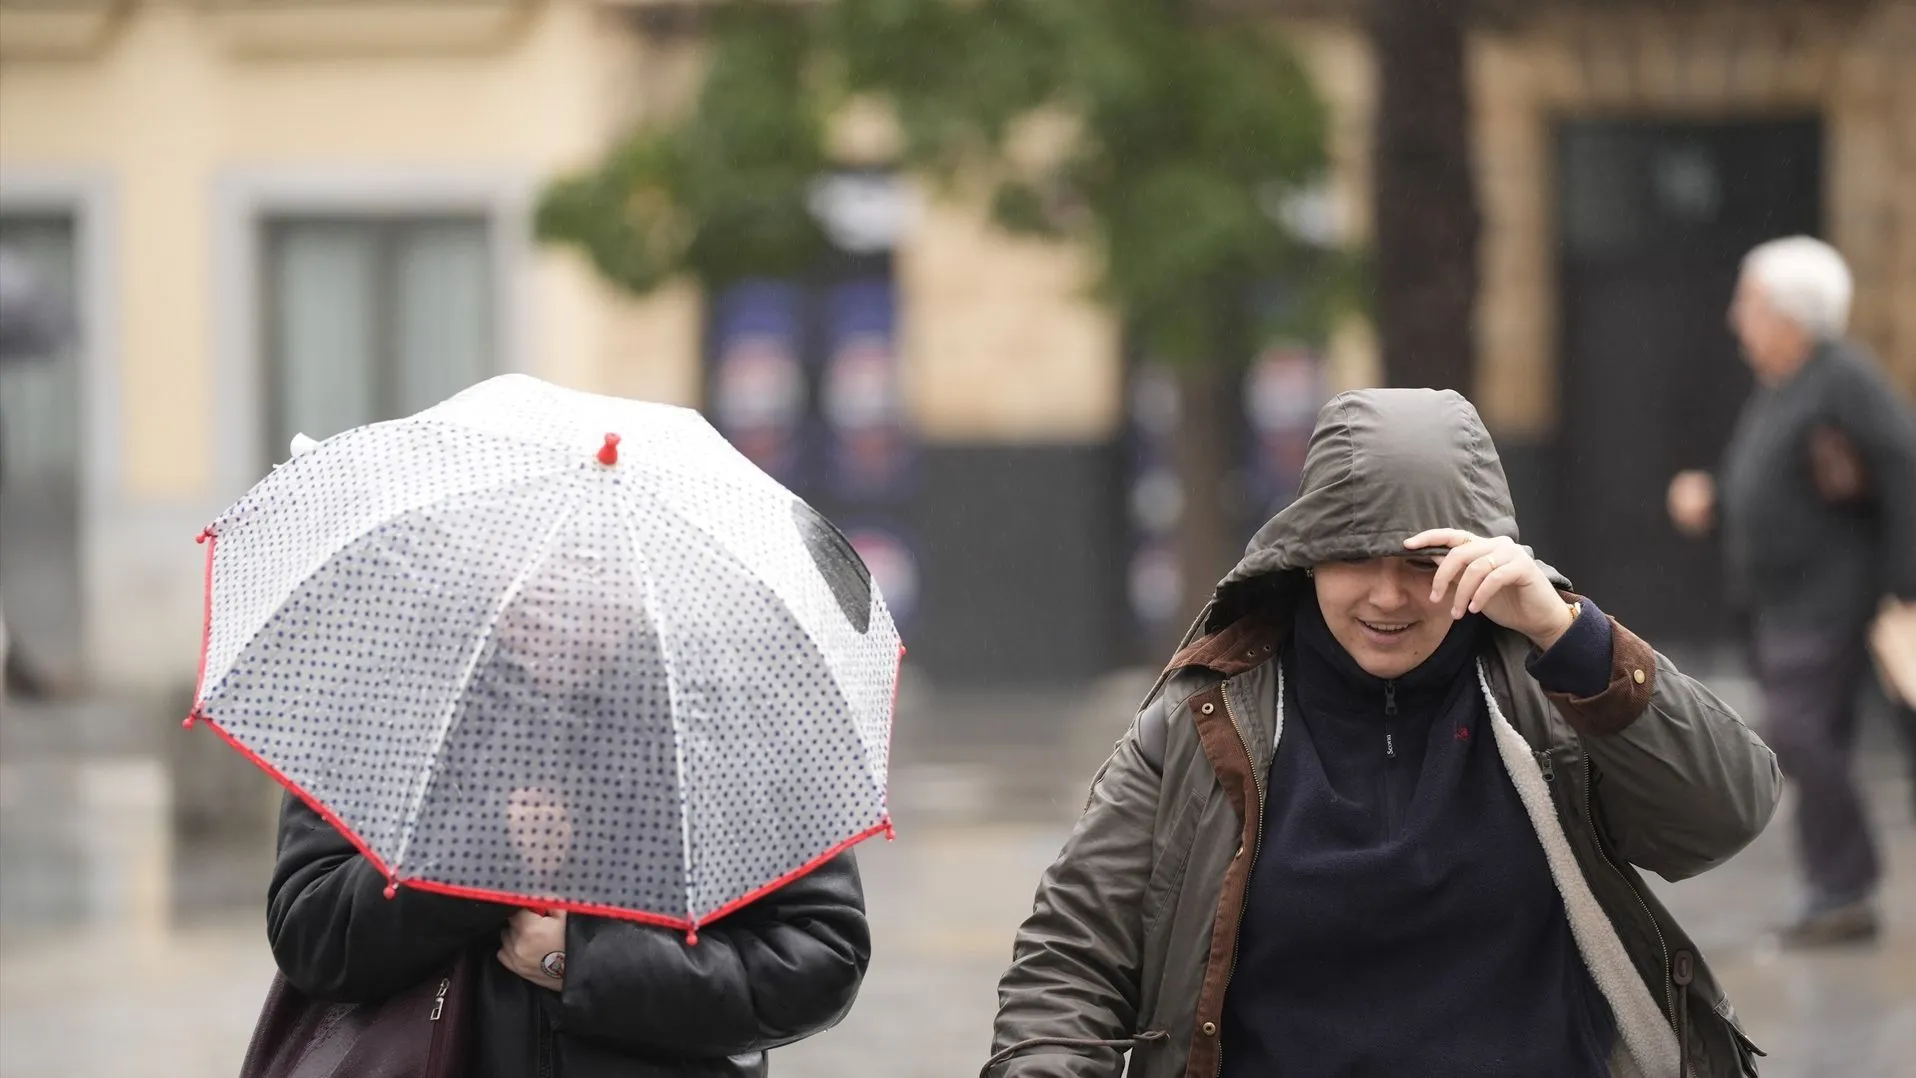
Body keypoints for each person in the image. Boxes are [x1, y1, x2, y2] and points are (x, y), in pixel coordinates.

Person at [986, 388, 1778, 1078]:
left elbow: (1725, 813)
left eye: (1424, 562)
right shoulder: (1207, 717)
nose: (1390, 596)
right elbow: (1072, 956)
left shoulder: (1550, 694)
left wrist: (1567, 633)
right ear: (1304, 557)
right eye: (1354, 556)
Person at [1667, 235, 1916, 945]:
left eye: (1749, 305)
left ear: (1789, 317)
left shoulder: (1842, 378)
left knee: (1799, 733)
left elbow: (1903, 468)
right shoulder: (1788, 386)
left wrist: (1907, 584)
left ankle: (1844, 885)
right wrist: (1717, 503)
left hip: (1830, 600)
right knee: (1807, 735)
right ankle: (1837, 890)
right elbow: (1780, 487)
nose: (1735, 320)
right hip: (1789, 602)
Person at [268, 792, 869, 1078]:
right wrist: (483, 856)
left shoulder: (735, 705)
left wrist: (581, 963)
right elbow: (312, 933)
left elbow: (818, 956)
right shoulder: (396, 696)